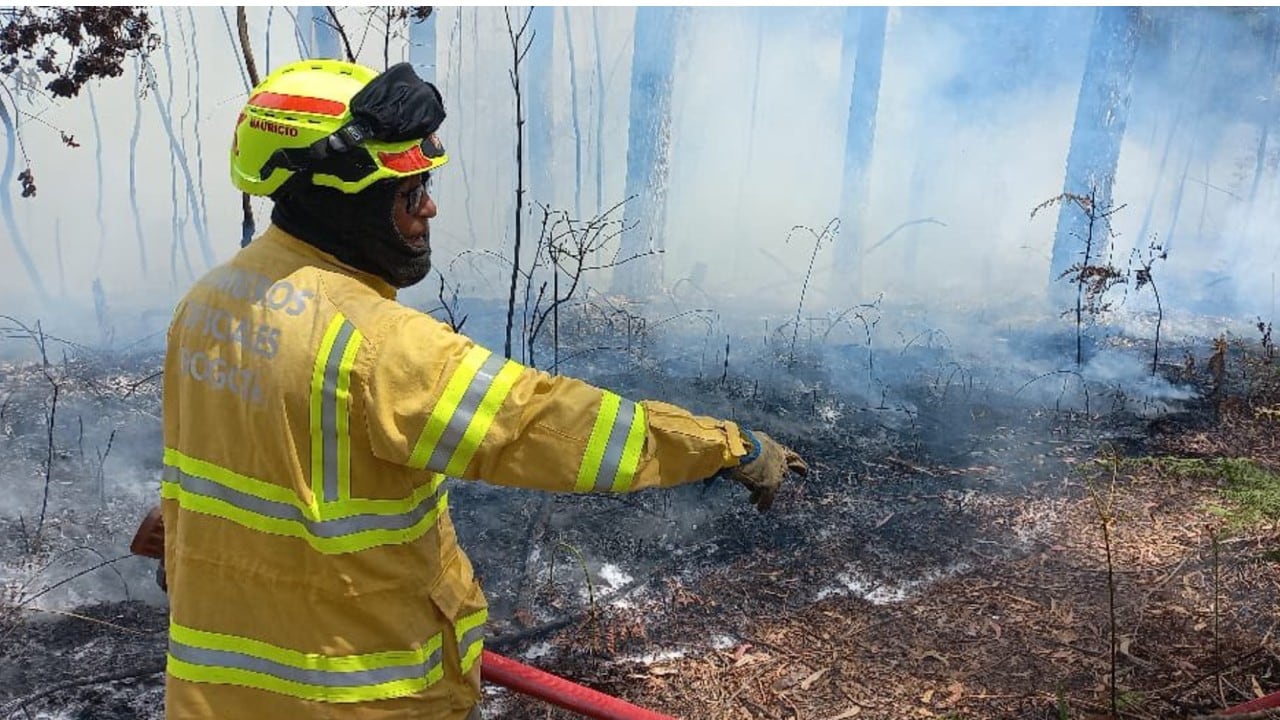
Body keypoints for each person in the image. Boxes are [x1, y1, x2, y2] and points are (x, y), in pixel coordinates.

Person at [160, 59, 808, 720]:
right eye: (410, 190)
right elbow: (547, 425)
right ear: (340, 194)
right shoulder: (378, 346)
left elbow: (216, 468)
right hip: (354, 698)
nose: (430, 206)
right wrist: (725, 445)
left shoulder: (208, 304)